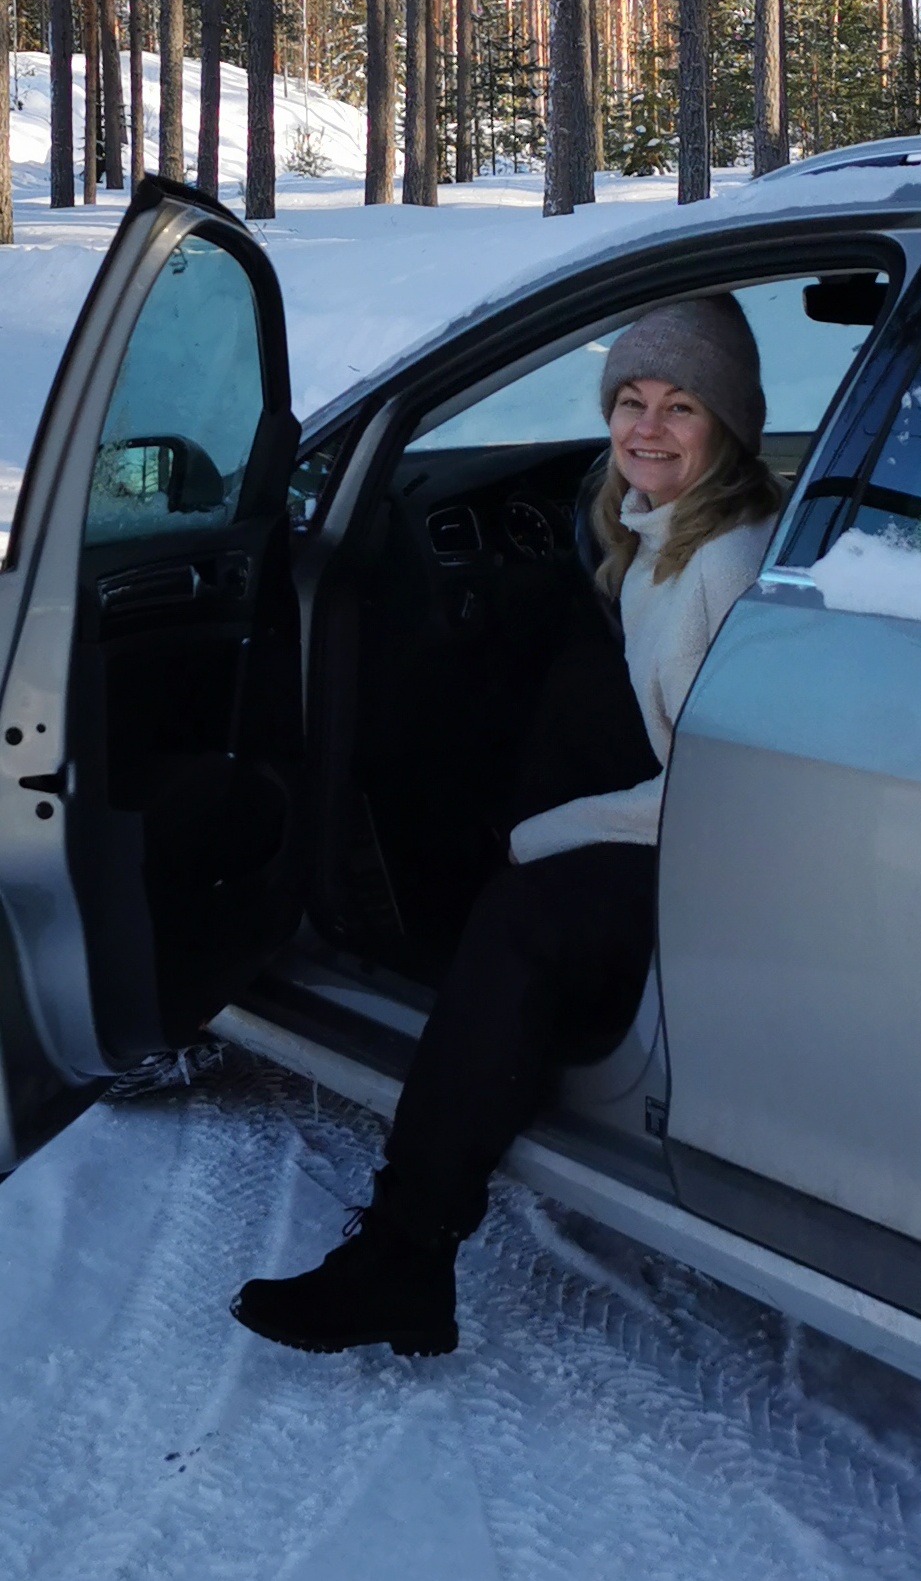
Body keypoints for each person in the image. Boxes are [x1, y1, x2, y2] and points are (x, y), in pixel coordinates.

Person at [231, 295, 783, 1356]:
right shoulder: (668, 529)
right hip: (696, 809)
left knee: (525, 914)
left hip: (726, 856)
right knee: (571, 681)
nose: (646, 428)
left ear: (732, 425)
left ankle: (403, 1255)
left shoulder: (724, 563)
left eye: (682, 406)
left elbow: (715, 792)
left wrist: (541, 835)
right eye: (630, 400)